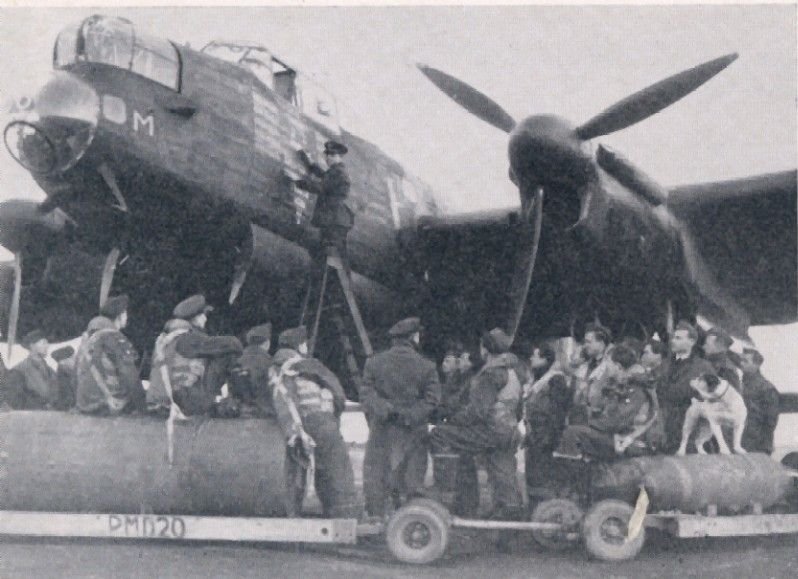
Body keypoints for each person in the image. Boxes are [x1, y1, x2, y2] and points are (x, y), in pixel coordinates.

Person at [430, 328, 524, 520]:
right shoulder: (513, 371)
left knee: (440, 434)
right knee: (503, 472)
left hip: (492, 431)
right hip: (509, 430)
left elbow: (477, 412)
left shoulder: (490, 374)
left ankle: (447, 492)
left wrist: (453, 420)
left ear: (485, 349)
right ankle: (510, 511)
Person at [269, 326, 358, 518]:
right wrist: (334, 415)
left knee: (306, 471)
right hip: (320, 420)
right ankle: (345, 514)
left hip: (296, 425)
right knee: (336, 468)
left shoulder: (276, 368)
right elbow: (338, 393)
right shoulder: (309, 364)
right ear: (300, 345)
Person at [359, 317, 441, 517]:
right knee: (412, 475)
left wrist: (386, 410)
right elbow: (432, 399)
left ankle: (376, 517)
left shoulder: (374, 362)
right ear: (414, 337)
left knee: (377, 473)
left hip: (383, 426)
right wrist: (410, 416)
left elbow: (366, 394)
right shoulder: (427, 366)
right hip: (413, 428)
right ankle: (411, 522)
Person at [147, 294, 243, 417]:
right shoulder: (188, 338)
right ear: (195, 318)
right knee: (227, 354)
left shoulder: (167, 338)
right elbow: (232, 344)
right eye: (203, 315)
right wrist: (237, 342)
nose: (205, 319)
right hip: (184, 400)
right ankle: (241, 401)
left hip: (165, 398)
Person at [554, 346, 650, 461]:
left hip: (627, 439)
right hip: (616, 435)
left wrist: (590, 423)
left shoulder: (635, 388)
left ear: (617, 366)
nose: (606, 368)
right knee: (574, 425)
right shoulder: (621, 384)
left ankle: (573, 474)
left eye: (608, 363)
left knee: (572, 433)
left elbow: (618, 421)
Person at [76, 295, 145, 415]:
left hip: (85, 403)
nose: (126, 316)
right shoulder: (114, 337)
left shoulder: (89, 338)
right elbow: (129, 374)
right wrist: (143, 405)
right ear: (120, 315)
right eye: (125, 313)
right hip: (107, 403)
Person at [522, 342, 571, 505]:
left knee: (541, 476)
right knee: (532, 475)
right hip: (534, 435)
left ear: (544, 360)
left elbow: (558, 412)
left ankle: (544, 511)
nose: (531, 358)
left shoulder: (556, 379)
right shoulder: (538, 379)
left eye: (535, 356)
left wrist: (549, 438)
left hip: (545, 437)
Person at [658, 321, 715, 453]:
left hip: (686, 428)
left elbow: (711, 401)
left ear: (692, 341)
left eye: (678, 338)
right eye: (673, 337)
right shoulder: (664, 364)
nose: (673, 341)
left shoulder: (703, 367)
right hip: (661, 426)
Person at [297, 140, 355, 264]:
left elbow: (321, 187)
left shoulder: (338, 172)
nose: (327, 158)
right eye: (327, 155)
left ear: (338, 157)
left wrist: (298, 182)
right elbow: (323, 175)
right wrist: (309, 164)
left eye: (331, 155)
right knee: (327, 255)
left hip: (333, 222)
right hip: (333, 221)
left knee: (328, 256)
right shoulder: (336, 171)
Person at [739, 348, 780, 454]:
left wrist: (763, 443)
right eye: (741, 360)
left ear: (756, 365)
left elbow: (770, 421)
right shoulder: (739, 384)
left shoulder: (766, 388)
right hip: (740, 442)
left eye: (745, 361)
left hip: (756, 445)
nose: (741, 363)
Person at [570, 323, 612, 424]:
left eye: (589, 342)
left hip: (597, 422)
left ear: (601, 344)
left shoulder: (609, 369)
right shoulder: (585, 366)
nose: (585, 345)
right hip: (579, 419)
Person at [4, 329, 58, 409]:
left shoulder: (50, 370)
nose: (47, 346)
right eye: (43, 343)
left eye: (47, 343)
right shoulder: (19, 370)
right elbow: (16, 401)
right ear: (32, 346)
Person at [230, 323, 274, 417]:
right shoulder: (268, 362)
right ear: (267, 343)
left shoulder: (238, 359)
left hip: (239, 411)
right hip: (263, 413)